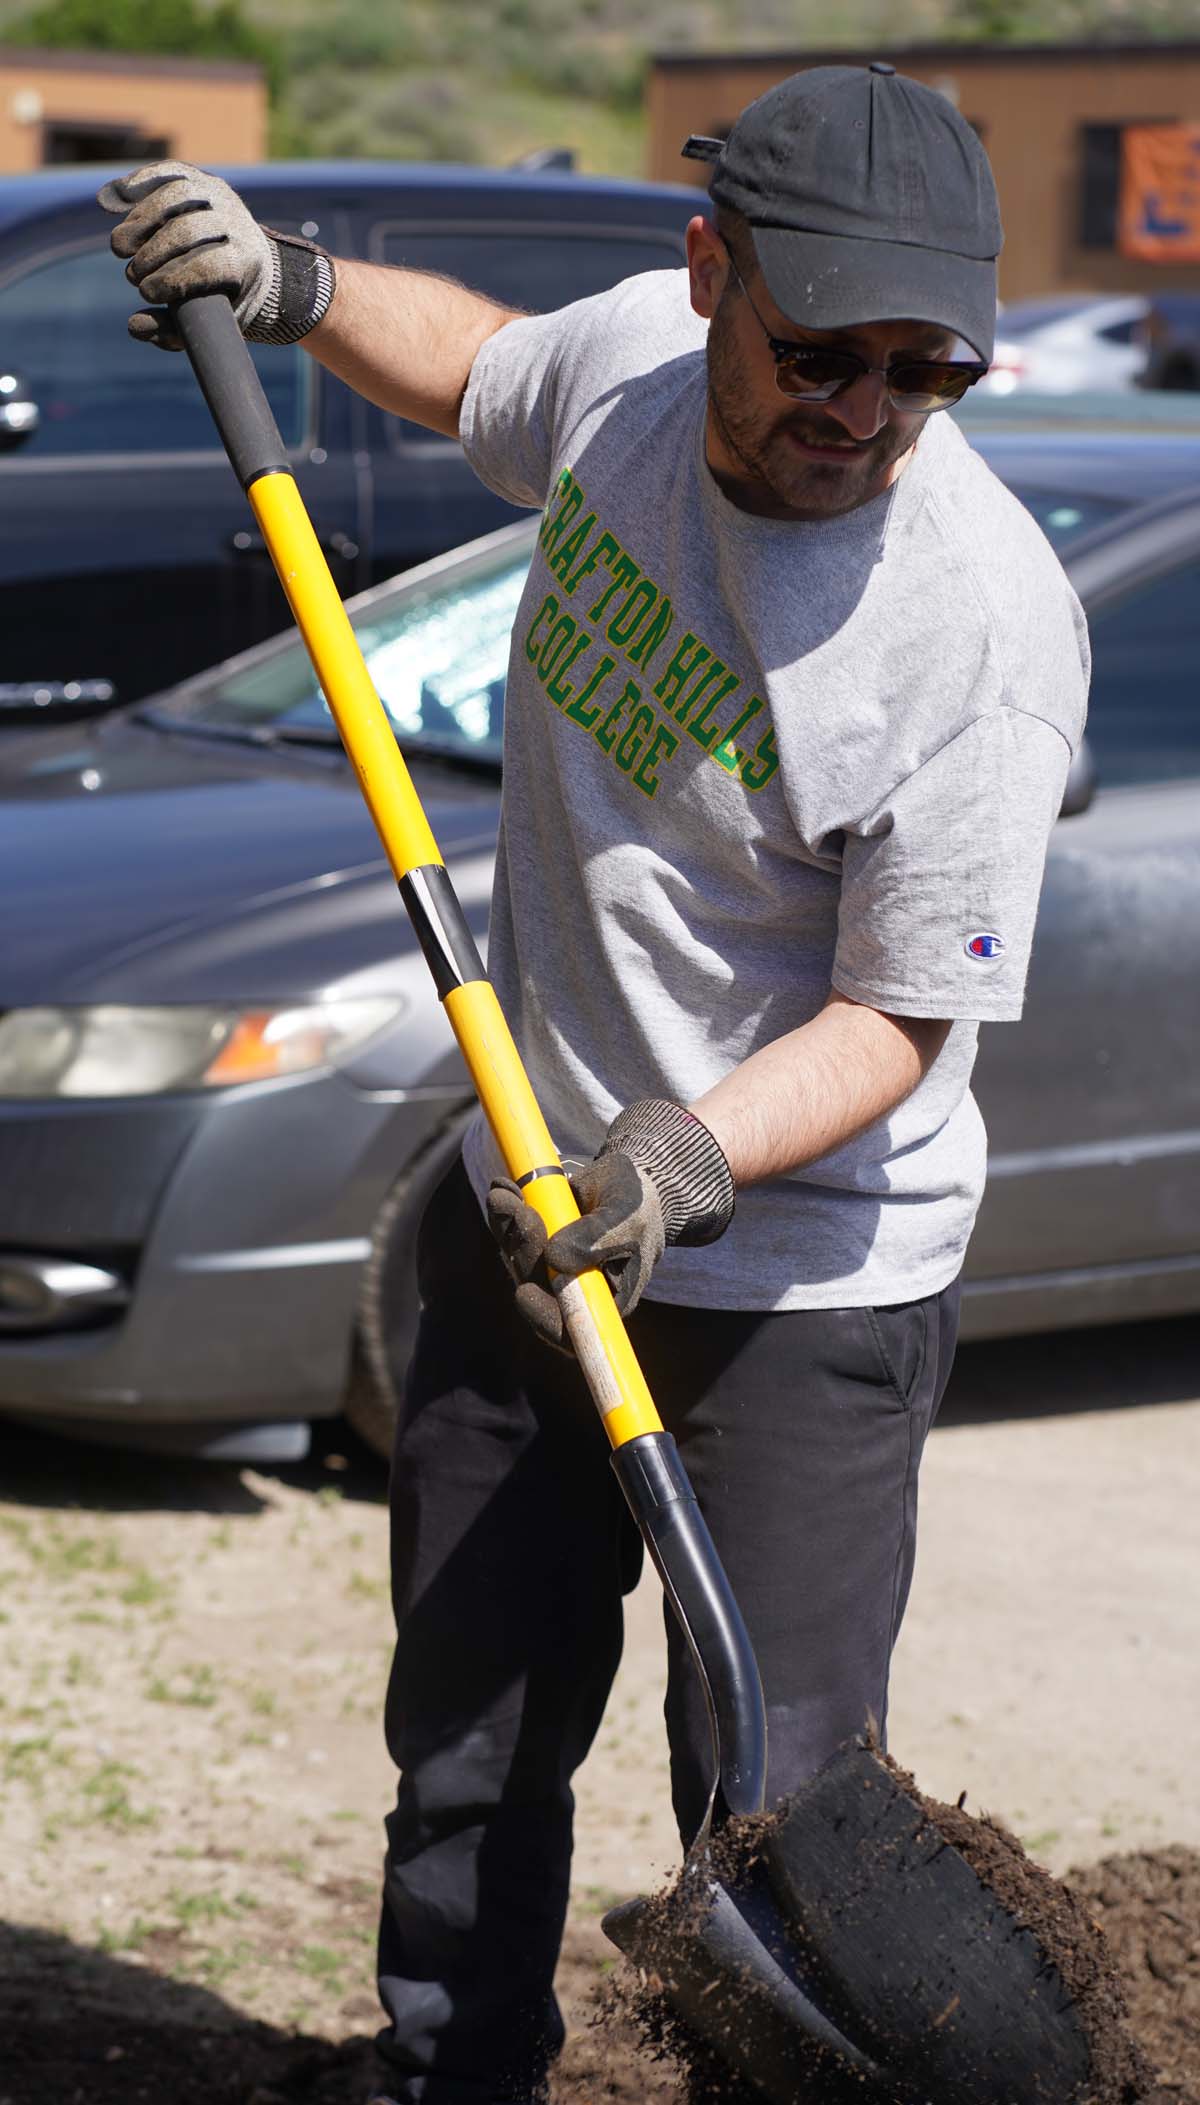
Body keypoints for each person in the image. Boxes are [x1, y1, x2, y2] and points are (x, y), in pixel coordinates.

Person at [101, 62, 1090, 2105]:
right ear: (708, 274)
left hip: (797, 1292)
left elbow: (903, 1023)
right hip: (520, 1215)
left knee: (778, 1804)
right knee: (469, 1732)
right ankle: (447, 2069)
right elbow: (483, 375)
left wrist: (674, 1165)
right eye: (820, 353)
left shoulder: (978, 631)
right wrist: (288, 284)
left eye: (928, 373)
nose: (867, 411)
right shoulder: (642, 364)